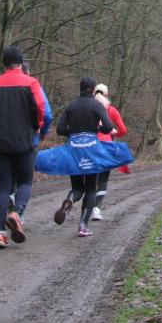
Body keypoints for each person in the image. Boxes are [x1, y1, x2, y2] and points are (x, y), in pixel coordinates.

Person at [0, 46, 45, 249]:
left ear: (4, 64)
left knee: (3, 187)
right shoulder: (31, 83)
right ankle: (16, 213)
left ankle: (0, 234)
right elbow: (40, 108)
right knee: (25, 182)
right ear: (21, 63)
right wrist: (37, 125)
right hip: (23, 141)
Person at [52, 77, 114, 237]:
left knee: (78, 188)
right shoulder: (96, 105)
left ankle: (70, 199)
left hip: (74, 150)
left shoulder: (71, 106)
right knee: (91, 188)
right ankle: (83, 226)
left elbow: (60, 129)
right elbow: (108, 126)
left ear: (80, 88)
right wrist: (96, 129)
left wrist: (74, 132)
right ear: (93, 90)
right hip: (91, 150)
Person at [8, 61, 53, 219]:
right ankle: (18, 213)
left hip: (5, 139)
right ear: (28, 72)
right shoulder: (34, 87)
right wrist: (42, 133)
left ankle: (10, 199)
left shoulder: (2, 86)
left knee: (9, 177)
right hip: (28, 139)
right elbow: (47, 115)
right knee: (25, 180)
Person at [90, 83, 128, 221]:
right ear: (106, 95)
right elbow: (123, 130)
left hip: (89, 146)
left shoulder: (88, 107)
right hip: (106, 146)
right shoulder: (111, 110)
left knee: (90, 179)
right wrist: (114, 133)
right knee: (103, 179)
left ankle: (79, 202)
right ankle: (96, 209)